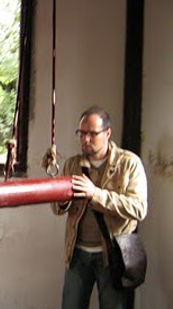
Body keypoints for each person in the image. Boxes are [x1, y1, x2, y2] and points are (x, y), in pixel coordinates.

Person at [51, 106, 148, 309]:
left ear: (107, 133)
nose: (86, 139)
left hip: (113, 255)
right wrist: (60, 199)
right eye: (81, 133)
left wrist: (95, 194)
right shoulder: (72, 164)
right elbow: (57, 209)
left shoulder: (129, 163)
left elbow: (139, 208)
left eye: (92, 134)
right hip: (76, 254)